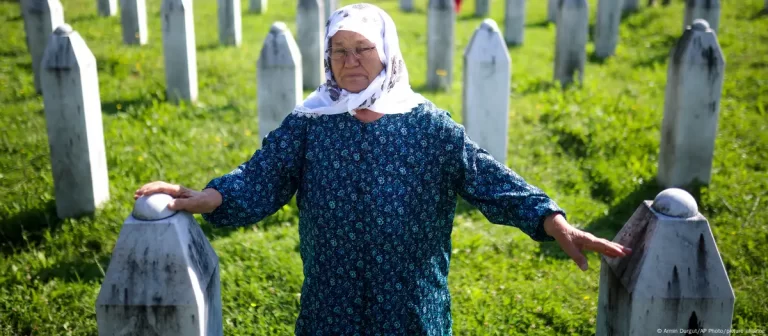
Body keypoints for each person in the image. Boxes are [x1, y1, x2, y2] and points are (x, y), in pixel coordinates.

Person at [135, 3, 631, 335]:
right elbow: (262, 177)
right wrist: (208, 196)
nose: (350, 61)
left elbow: (491, 182)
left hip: (412, 313)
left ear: (386, 52)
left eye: (363, 49)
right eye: (339, 50)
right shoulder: (310, 123)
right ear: (327, 57)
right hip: (331, 309)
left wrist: (551, 218)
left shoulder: (429, 127)